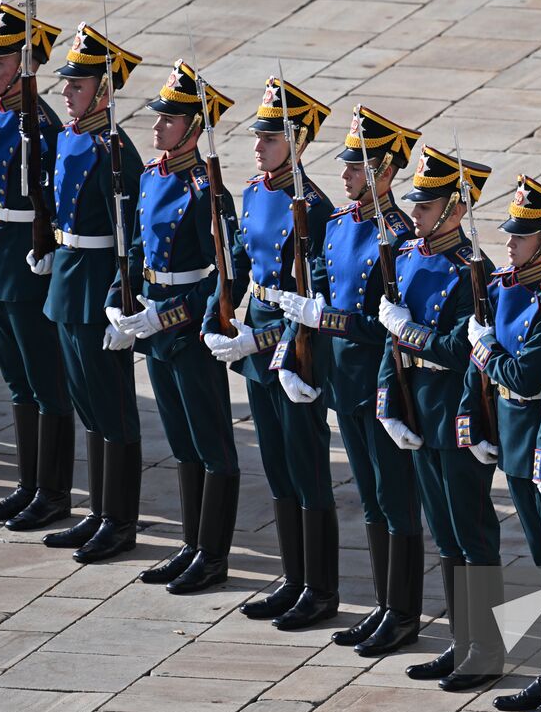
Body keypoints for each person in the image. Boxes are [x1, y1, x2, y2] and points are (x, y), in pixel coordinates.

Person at [280, 105, 424, 653]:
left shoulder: (399, 236)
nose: (345, 174)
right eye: (345, 165)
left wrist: (326, 320)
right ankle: (386, 605)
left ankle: (403, 611)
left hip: (380, 385)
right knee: (368, 497)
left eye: (358, 167)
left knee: (395, 498)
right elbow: (318, 288)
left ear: (386, 172)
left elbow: (384, 324)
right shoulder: (340, 225)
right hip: (344, 380)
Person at [203, 75, 337, 630]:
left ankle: (320, 589)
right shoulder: (257, 192)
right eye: (258, 137)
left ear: (298, 144)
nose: (257, 147)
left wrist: (274, 347)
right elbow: (234, 263)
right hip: (257, 349)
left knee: (307, 470)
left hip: (294, 354)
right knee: (277, 468)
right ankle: (293, 577)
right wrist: (218, 315)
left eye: (271, 139)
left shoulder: (316, 207)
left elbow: (316, 296)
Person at [459, 174, 541, 712]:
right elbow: (480, 367)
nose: (509, 243)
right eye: (510, 234)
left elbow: (529, 377)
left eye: (522, 236)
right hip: (510, 438)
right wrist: (472, 420)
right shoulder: (503, 287)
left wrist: (485, 352)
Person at [376, 145, 499, 691]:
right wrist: (387, 403)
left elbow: (458, 348)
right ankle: (460, 641)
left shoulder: (475, 272)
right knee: (445, 535)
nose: (417, 214)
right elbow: (390, 341)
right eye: (417, 206)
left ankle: (485, 649)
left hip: (455, 414)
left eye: (427, 207)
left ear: (455, 210)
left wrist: (406, 332)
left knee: (472, 534)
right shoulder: (406, 256)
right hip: (420, 410)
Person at [116, 61, 240, 594]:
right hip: (155, 320)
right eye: (158, 117)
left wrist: (168, 316)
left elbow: (223, 277)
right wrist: (117, 304)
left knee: (212, 446)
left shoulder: (205, 190)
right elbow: (138, 251)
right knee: (182, 444)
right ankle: (192, 545)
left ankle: (213, 555)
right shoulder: (151, 175)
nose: (158, 126)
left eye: (170, 120)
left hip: (187, 327)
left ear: (193, 129)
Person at [0, 0, 75, 529]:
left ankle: (53, 492)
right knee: (16, 382)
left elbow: (56, 197)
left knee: (44, 381)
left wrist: (49, 247)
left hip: (28, 261)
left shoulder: (42, 123)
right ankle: (27, 483)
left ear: (24, 67)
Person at [38, 23, 143, 564]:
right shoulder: (72, 135)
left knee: (113, 408)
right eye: (67, 84)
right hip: (68, 277)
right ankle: (99, 513)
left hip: (98, 283)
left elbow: (131, 237)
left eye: (77, 86)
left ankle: (120, 521)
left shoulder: (114, 149)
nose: (66, 92)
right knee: (87, 406)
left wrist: (120, 301)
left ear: (103, 91)